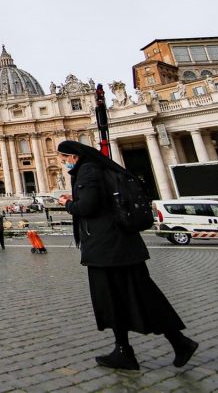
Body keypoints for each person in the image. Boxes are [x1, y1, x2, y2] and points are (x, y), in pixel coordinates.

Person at [57, 140, 197, 371]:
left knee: (111, 299)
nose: (64, 163)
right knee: (141, 296)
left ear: (74, 156)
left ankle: (130, 350)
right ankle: (173, 343)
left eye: (64, 158)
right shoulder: (101, 168)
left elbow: (88, 207)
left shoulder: (88, 171)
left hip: (107, 248)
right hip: (123, 246)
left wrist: (68, 203)